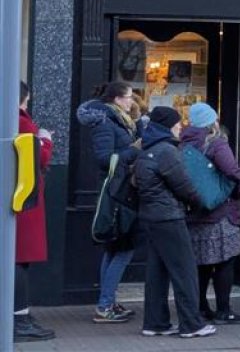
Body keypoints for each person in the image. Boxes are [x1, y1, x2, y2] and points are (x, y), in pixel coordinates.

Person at [135, 106, 215, 338]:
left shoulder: (146, 148)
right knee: (185, 271)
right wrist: (201, 203)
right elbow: (184, 187)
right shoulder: (166, 151)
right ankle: (192, 324)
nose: (181, 127)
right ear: (167, 125)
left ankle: (155, 322)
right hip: (169, 217)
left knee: (157, 272)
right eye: (178, 123)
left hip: (150, 216)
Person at [76, 81, 140, 323]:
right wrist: (134, 150)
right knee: (123, 249)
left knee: (114, 249)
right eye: (128, 97)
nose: (131, 101)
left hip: (121, 190)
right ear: (116, 100)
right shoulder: (106, 123)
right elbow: (104, 159)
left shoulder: (120, 121)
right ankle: (105, 306)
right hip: (116, 192)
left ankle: (108, 302)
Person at [180, 102, 240, 325]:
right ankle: (224, 310)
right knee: (225, 261)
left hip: (194, 212)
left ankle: (200, 307)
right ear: (212, 122)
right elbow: (231, 171)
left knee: (201, 263)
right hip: (220, 213)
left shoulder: (182, 143)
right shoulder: (215, 143)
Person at [14, 82, 56, 343]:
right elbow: (40, 157)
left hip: (18, 198)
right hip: (24, 201)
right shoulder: (21, 123)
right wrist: (46, 139)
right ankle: (18, 317)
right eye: (26, 101)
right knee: (19, 260)